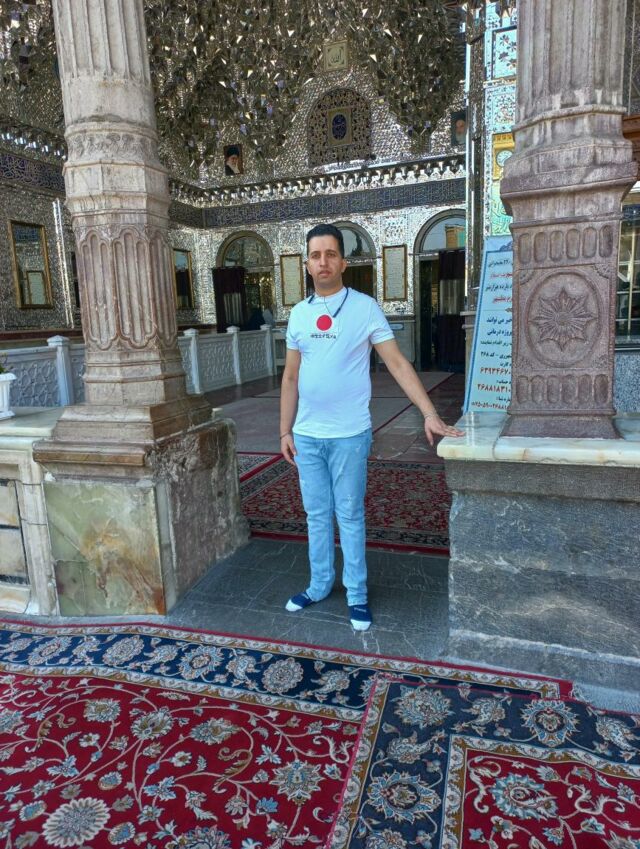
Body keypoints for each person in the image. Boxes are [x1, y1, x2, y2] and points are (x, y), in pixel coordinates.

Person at [280, 223, 464, 631]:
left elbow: (397, 363)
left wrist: (429, 413)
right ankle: (319, 584)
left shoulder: (363, 308)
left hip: (348, 435)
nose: (323, 262)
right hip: (307, 435)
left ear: (343, 262)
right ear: (307, 264)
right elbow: (290, 377)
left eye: (330, 254)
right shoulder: (299, 314)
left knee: (348, 514)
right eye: (315, 255)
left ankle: (357, 593)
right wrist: (284, 431)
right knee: (316, 514)